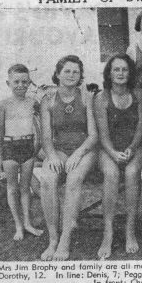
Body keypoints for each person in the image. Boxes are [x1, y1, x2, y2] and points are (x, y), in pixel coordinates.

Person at [40, 55, 97, 261]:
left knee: (73, 178)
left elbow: (93, 135)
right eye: (67, 71)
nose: (71, 75)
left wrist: (79, 153)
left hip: (85, 149)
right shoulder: (48, 100)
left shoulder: (86, 97)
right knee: (47, 178)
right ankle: (53, 238)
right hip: (60, 150)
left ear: (81, 75)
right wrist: (52, 156)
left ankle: (65, 238)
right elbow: (46, 137)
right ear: (57, 74)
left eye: (76, 71)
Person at [94, 54, 142, 259]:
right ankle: (108, 232)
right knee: (112, 175)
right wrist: (113, 153)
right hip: (109, 148)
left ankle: (130, 230)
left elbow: (141, 126)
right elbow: (103, 134)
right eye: (116, 69)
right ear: (109, 73)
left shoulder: (139, 94)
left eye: (124, 69)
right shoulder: (101, 97)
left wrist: (131, 148)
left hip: (134, 146)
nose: (121, 73)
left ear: (130, 72)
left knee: (132, 173)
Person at [0, 64, 43, 241]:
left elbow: (45, 111)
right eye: (16, 81)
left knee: (25, 188)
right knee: (12, 188)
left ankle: (28, 223)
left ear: (30, 82)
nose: (21, 85)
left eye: (25, 81)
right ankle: (18, 225)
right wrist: (1, 158)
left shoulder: (32, 102)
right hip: (10, 147)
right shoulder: (3, 104)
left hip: (27, 146)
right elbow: (0, 133)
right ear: (8, 83)